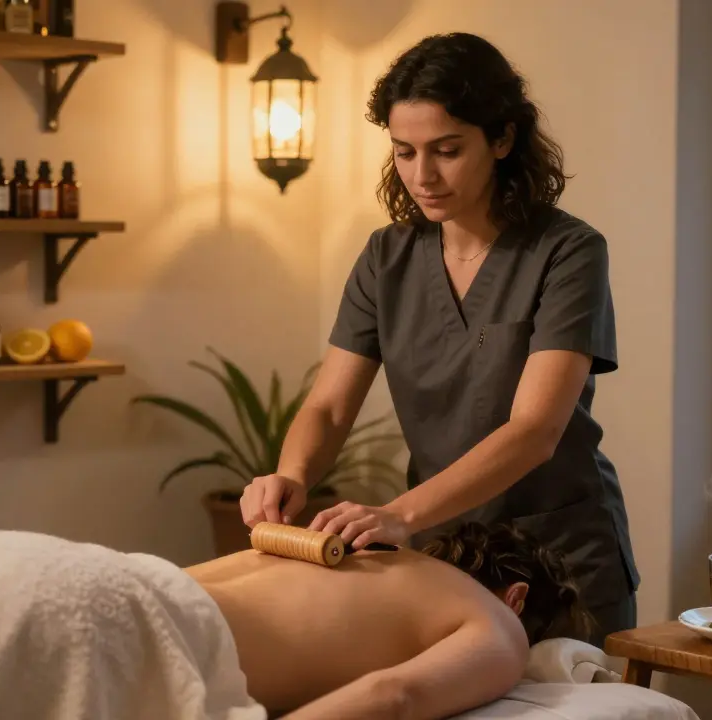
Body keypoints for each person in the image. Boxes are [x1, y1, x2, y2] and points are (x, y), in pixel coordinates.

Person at [238, 31, 639, 647]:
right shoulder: (387, 258)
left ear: (502, 139)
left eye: (446, 151)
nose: (422, 175)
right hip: (445, 552)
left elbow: (535, 430)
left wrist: (398, 514)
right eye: (404, 152)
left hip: (560, 563)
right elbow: (330, 406)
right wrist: (291, 475)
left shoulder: (568, 252)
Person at [0, 522, 592, 719]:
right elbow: (392, 698)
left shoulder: (344, 548)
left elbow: (175, 579)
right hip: (116, 610)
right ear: (519, 602)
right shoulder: (496, 630)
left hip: (46, 560)